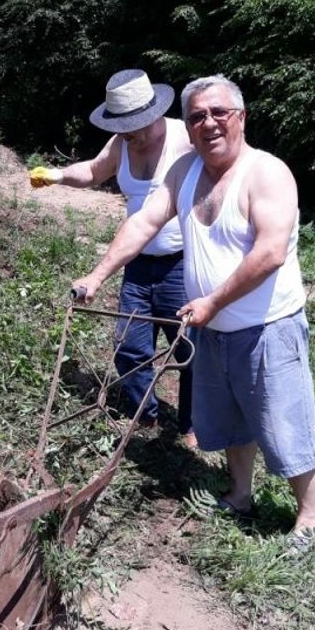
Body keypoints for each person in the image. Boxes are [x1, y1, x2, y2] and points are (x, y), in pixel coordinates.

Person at [71, 74, 315, 549]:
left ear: (241, 117)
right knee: (232, 422)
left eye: (218, 113)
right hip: (214, 330)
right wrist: (98, 274)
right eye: (196, 117)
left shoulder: (266, 173)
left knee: (284, 426)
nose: (208, 123)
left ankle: (308, 518)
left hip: (266, 328)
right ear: (186, 127)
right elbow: (144, 221)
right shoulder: (185, 172)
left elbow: (270, 252)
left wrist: (211, 302)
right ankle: (241, 494)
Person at [29, 69, 196, 447]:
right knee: (131, 347)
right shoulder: (122, 143)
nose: (127, 134)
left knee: (188, 348)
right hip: (136, 264)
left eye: (133, 126)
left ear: (153, 114)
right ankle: (146, 416)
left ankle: (191, 426)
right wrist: (54, 175)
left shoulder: (185, 139)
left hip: (181, 263)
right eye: (121, 127)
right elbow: (92, 171)